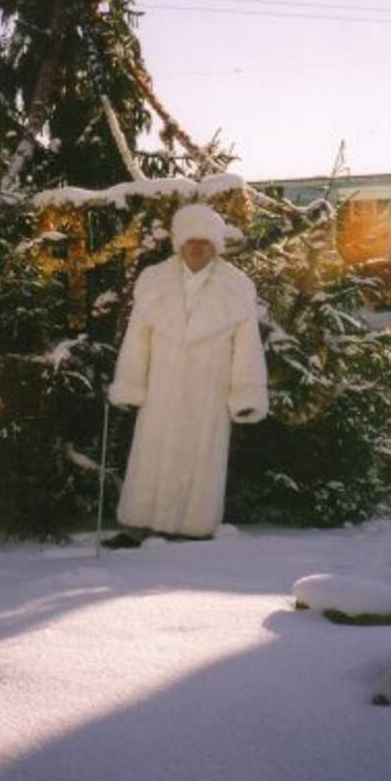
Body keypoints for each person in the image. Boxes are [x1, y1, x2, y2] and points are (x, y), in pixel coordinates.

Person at [103, 200, 268, 548]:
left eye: (205, 242)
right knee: (150, 454)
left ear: (216, 246)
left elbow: (248, 351)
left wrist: (246, 396)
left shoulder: (235, 289)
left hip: (207, 395)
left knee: (199, 459)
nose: (197, 248)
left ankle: (191, 529)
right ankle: (139, 525)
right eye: (190, 241)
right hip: (161, 392)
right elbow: (137, 342)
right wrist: (131, 385)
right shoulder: (154, 284)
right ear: (179, 244)